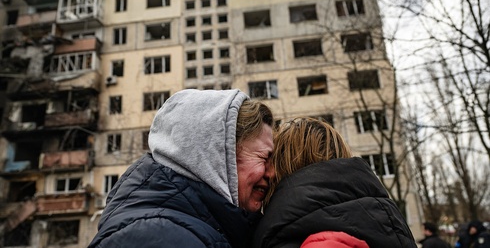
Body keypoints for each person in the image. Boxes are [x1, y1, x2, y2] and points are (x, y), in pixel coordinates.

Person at [89, 89, 275, 248]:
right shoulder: (153, 237)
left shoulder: (191, 230)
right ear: (216, 156)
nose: (272, 173)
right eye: (264, 157)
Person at [252, 117, 418, 248]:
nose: (267, 173)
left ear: (285, 164)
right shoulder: (385, 219)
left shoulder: (322, 242)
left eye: (270, 160)